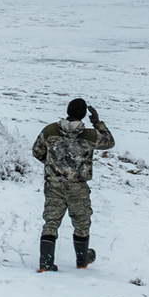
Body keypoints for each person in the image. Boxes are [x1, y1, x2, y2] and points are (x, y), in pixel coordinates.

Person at [31, 98, 114, 272]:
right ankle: (82, 260)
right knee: (82, 222)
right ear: (84, 115)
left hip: (53, 184)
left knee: (51, 222)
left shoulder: (50, 130)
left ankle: (46, 264)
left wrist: (53, 165)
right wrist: (98, 123)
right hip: (78, 186)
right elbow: (109, 142)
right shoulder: (90, 135)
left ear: (67, 111)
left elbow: (37, 151)